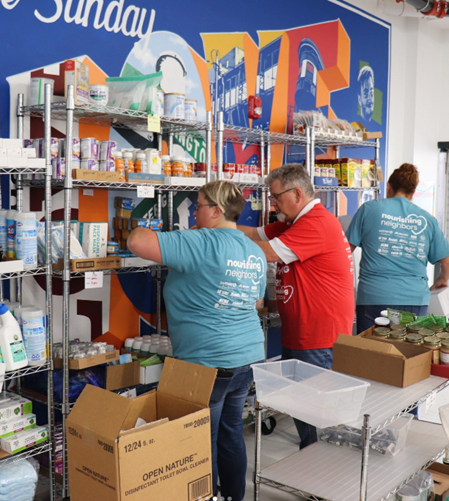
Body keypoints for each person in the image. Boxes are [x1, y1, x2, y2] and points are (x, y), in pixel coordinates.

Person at [127, 180, 266, 501]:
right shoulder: (253, 250)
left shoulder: (201, 242)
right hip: (245, 358)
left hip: (207, 362)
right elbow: (256, 302)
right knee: (231, 433)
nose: (194, 211)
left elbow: (136, 241)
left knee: (202, 439)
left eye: (199, 206)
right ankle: (233, 497)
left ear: (216, 211)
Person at [238, 164, 354, 449]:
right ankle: (312, 460)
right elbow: (253, 234)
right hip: (304, 329)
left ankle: (317, 476)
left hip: (317, 333)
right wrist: (217, 227)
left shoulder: (315, 223)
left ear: (297, 193)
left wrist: (216, 243)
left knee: (313, 409)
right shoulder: (296, 221)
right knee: (304, 404)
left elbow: (264, 252)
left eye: (276, 197)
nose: (272, 203)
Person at [346, 163, 449, 333]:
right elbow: (446, 263)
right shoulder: (427, 219)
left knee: (369, 353)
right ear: (413, 193)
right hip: (414, 299)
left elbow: (345, 252)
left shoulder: (368, 209)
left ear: (388, 187)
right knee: (407, 353)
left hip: (374, 296)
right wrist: (442, 279)